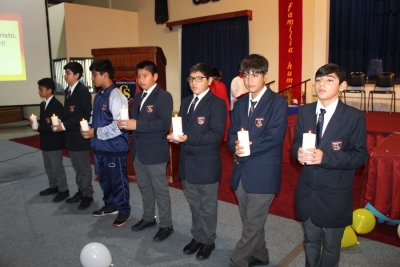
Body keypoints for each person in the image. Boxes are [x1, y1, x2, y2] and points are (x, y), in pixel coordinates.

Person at [292, 63, 368, 267]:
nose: (321, 84)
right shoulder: (306, 112)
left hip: (334, 196)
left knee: (332, 248)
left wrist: (325, 157)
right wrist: (298, 153)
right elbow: (296, 143)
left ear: (342, 86)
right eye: (318, 80)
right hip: (307, 192)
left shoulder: (353, 117)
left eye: (329, 80)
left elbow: (360, 156)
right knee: (310, 242)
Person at [227, 54, 288, 267]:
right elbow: (231, 134)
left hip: (264, 173)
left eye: (255, 74)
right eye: (246, 75)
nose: (250, 79)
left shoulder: (278, 102)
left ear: (265, 75)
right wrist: (235, 145)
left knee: (252, 224)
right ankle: (261, 254)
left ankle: (238, 261)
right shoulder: (241, 104)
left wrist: (248, 147)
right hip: (241, 172)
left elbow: (275, 137)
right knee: (251, 221)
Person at [167, 63, 227, 260]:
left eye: (199, 78)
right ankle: (198, 236)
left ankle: (208, 241)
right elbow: (182, 129)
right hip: (186, 163)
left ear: (209, 80)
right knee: (194, 204)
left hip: (206, 165)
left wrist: (187, 138)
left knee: (208, 207)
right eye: (191, 79)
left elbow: (216, 135)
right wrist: (175, 136)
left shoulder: (216, 103)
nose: (194, 82)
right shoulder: (185, 102)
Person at [118, 60, 174, 242]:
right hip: (139, 152)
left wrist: (137, 124)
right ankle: (149, 218)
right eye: (139, 76)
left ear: (155, 76)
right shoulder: (139, 97)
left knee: (160, 190)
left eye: (145, 75)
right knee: (144, 188)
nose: (141, 80)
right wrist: (126, 124)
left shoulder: (164, 96)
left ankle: (166, 225)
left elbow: (164, 123)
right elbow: (135, 122)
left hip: (155, 152)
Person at [80, 59, 131, 227]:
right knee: (104, 180)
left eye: (95, 74)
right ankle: (110, 205)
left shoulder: (116, 96)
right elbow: (96, 120)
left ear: (105, 74)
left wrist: (96, 132)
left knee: (117, 180)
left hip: (114, 147)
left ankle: (124, 210)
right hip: (100, 146)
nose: (93, 78)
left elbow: (120, 125)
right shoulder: (99, 96)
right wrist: (89, 129)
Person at [53, 62, 93, 210]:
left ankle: (88, 195)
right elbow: (67, 112)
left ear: (77, 75)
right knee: (76, 167)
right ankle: (81, 191)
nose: (65, 76)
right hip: (70, 135)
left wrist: (64, 125)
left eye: (68, 73)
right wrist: (58, 121)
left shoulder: (82, 91)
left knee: (83, 167)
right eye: (65, 73)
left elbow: (85, 114)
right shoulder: (68, 90)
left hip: (80, 135)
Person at [32, 78, 69, 202]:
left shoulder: (56, 105)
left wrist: (40, 128)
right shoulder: (43, 104)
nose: (39, 91)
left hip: (54, 140)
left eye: (41, 89)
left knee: (57, 166)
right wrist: (35, 123)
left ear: (49, 90)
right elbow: (44, 122)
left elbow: (55, 125)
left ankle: (63, 189)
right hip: (45, 140)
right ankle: (53, 186)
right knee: (48, 165)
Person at [209, 67, 230, 142]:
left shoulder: (211, 85)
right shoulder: (222, 85)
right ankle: (224, 138)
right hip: (224, 107)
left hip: (215, 108)